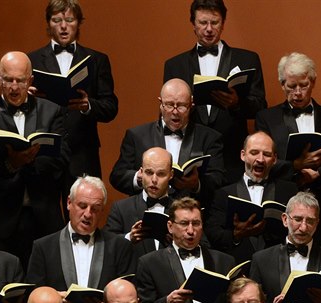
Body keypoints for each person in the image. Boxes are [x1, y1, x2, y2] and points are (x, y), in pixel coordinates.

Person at [0, 51, 70, 271]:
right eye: (8, 80)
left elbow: (61, 158)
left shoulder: (52, 112)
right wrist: (12, 163)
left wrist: (25, 161)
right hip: (2, 218)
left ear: (30, 81)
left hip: (43, 215)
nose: (14, 87)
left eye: (20, 81)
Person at [255, 52, 321, 248]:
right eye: (291, 86)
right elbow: (259, 166)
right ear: (281, 84)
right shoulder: (266, 119)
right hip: (281, 210)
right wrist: (296, 167)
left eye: (303, 86)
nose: (297, 92)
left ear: (313, 82)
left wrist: (319, 173)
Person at [163, 0, 267, 183]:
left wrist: (236, 104)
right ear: (193, 24)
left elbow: (260, 107)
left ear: (223, 23)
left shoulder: (247, 59)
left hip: (233, 156)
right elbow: (164, 112)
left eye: (215, 22)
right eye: (203, 23)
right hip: (190, 155)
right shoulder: (174, 65)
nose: (209, 29)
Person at [27, 176, 136, 303]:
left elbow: (130, 296)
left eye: (95, 208)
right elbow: (32, 297)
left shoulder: (120, 246)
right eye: (82, 206)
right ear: (69, 203)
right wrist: (53, 299)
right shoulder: (43, 247)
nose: (88, 214)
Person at [29, 0, 118, 182]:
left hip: (83, 153)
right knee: (46, 210)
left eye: (69, 20)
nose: (63, 26)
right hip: (45, 153)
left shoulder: (96, 59)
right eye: (56, 20)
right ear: (48, 23)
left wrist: (88, 106)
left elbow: (110, 107)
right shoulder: (32, 60)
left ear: (78, 23)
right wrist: (27, 98)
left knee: (85, 209)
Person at [135, 197, 235, 303]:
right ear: (170, 226)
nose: (190, 230)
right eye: (184, 224)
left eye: (196, 223)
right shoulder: (149, 263)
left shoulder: (224, 261)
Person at [109, 78, 226, 206]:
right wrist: (141, 177)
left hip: (191, 214)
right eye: (169, 105)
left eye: (181, 106)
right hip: (147, 212)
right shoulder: (136, 136)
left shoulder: (209, 138)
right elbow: (117, 176)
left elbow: (218, 180)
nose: (175, 112)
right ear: (160, 103)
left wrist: (196, 184)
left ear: (191, 106)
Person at [205, 131, 298, 264]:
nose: (260, 159)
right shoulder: (223, 193)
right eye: (254, 153)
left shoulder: (289, 191)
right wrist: (236, 234)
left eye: (266, 154)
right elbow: (213, 234)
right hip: (238, 267)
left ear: (275, 159)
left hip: (277, 267)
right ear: (243, 155)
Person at [104, 147, 174, 259]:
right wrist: (129, 238)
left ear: (171, 175)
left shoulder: (182, 211)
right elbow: (105, 248)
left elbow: (203, 248)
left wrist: (180, 242)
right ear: (141, 172)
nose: (154, 180)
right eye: (149, 172)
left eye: (161, 174)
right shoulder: (121, 209)